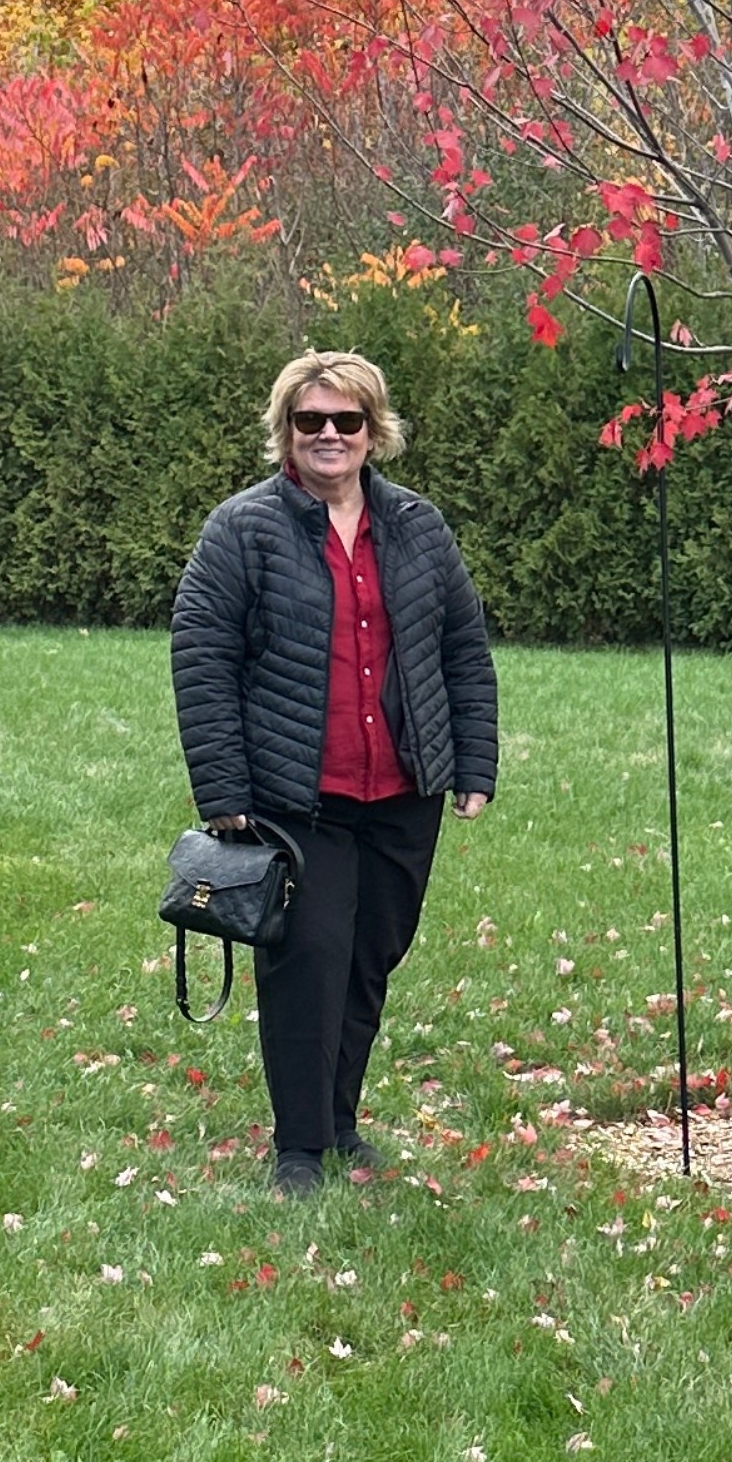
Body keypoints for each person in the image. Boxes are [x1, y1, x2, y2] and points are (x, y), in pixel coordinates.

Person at [171, 349, 498, 1195]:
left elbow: (463, 648)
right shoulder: (241, 530)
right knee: (308, 962)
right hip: (294, 797)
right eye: (310, 419)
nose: (329, 434)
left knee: (367, 962)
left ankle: (340, 1121)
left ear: (372, 431)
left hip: (402, 793)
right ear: (286, 429)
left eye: (346, 420)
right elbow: (202, 659)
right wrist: (223, 791)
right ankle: (299, 1148)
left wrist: (475, 760)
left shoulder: (417, 526)